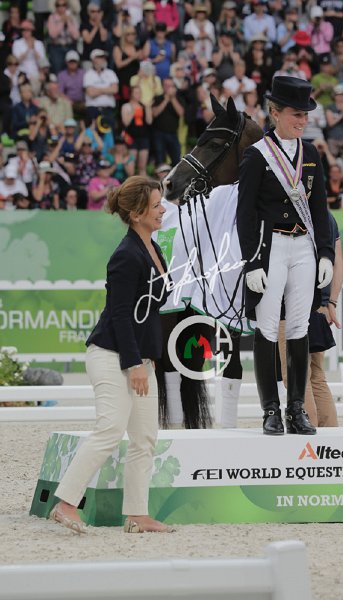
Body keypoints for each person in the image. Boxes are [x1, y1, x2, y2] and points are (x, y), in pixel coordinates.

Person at [49, 175, 173, 534]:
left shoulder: (154, 248)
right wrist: (133, 363)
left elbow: (152, 307)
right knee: (110, 429)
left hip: (141, 358)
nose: (163, 210)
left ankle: (137, 514)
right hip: (110, 354)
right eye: (156, 206)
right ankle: (65, 504)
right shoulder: (125, 255)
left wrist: (146, 358)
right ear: (136, 214)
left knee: (145, 438)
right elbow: (120, 314)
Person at [237, 76, 334, 436]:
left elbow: (319, 208)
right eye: (296, 114)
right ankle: (270, 409)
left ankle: (296, 408)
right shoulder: (257, 155)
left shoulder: (311, 155)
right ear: (275, 112)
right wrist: (252, 262)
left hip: (303, 247)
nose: (303, 121)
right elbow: (245, 215)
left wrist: (326, 254)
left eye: (306, 114)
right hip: (271, 247)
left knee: (298, 327)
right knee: (266, 327)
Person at [278, 212, 343, 427]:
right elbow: (338, 261)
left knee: (296, 377)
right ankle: (330, 433)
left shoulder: (288, 211)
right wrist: (330, 301)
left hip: (292, 305)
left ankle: (308, 431)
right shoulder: (327, 217)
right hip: (319, 308)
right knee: (316, 375)